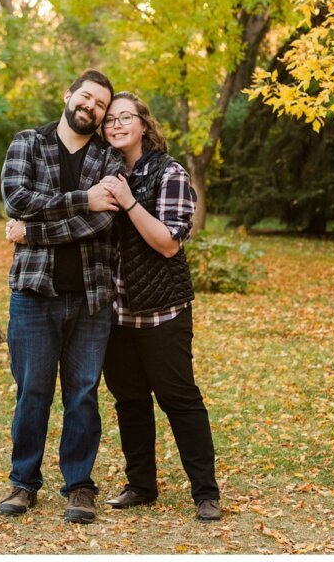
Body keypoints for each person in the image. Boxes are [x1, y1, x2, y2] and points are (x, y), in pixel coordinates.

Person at [0, 69, 125, 524]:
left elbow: (104, 219)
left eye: (100, 106)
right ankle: (23, 483)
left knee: (83, 395)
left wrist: (32, 234)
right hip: (34, 294)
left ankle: (79, 487)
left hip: (92, 298)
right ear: (69, 95)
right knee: (32, 392)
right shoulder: (27, 143)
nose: (91, 108)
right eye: (86, 98)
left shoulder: (110, 158)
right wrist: (80, 200)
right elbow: (16, 199)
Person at [94, 92, 222, 522]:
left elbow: (168, 243)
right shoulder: (103, 172)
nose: (116, 125)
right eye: (109, 119)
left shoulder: (170, 173)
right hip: (115, 312)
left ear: (144, 125)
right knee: (129, 400)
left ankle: (205, 492)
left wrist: (129, 201)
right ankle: (141, 485)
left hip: (162, 310)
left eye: (125, 117)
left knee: (178, 398)